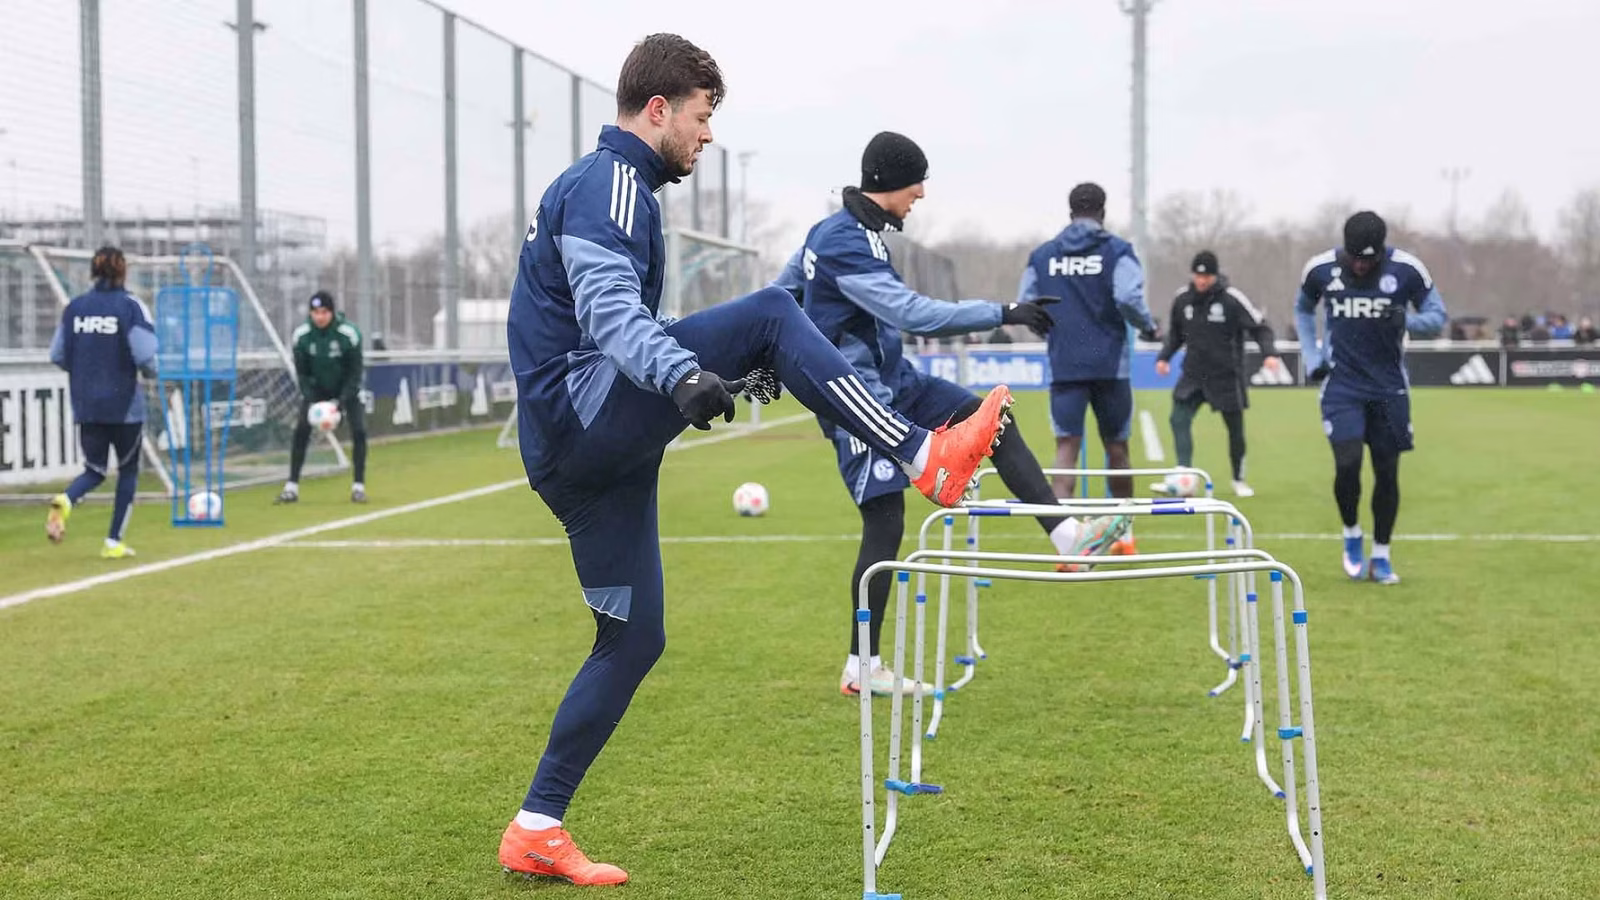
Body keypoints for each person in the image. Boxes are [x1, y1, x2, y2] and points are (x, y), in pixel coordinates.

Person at [497, 34, 1012, 886]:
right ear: (657, 110)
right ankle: (923, 454)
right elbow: (611, 311)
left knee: (633, 640)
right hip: (581, 415)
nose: (707, 136)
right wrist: (680, 371)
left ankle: (536, 826)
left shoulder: (619, 189)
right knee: (773, 310)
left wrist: (715, 372)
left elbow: (619, 324)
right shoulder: (610, 181)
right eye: (701, 118)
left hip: (578, 450)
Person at [774, 132, 1129, 697]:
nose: (921, 194)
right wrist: (1003, 311)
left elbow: (783, 290)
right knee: (885, 520)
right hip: (857, 397)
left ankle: (1066, 537)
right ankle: (862, 666)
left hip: (899, 382)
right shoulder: (842, 241)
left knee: (992, 420)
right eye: (916, 182)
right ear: (890, 181)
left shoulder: (847, 233)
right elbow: (911, 313)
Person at [1294, 211, 1447, 584]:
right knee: (1347, 464)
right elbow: (1303, 310)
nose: (1361, 266)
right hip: (1341, 386)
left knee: (1387, 471)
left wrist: (1406, 321)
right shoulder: (1320, 269)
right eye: (1355, 259)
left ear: (1381, 251)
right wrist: (1312, 356)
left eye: (1370, 260)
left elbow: (1437, 316)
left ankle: (1381, 555)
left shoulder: (1407, 270)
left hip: (1389, 388)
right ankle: (1351, 532)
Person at [1018, 182, 1159, 554]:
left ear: (1070, 212)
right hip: (1110, 365)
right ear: (1103, 212)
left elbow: (1025, 304)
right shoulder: (1117, 251)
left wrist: (1048, 330)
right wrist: (1146, 326)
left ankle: (1066, 544)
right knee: (1117, 448)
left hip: (1064, 363)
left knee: (1066, 448)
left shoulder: (1043, 255)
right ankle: (1123, 536)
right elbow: (1128, 296)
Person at [43, 245, 157, 559]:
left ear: (92, 271)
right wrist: (153, 374)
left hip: (86, 403)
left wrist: (86, 372)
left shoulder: (75, 307)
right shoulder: (131, 306)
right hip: (124, 406)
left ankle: (66, 500)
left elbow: (57, 354)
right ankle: (113, 542)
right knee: (128, 471)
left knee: (94, 470)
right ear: (123, 271)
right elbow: (145, 355)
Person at [1154, 250, 1281, 498]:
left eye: (1207, 277)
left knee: (1235, 429)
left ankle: (1238, 479)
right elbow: (1176, 335)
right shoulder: (1182, 299)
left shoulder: (1232, 299)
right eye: (1198, 276)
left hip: (1226, 375)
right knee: (1178, 418)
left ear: (1215, 276)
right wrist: (1163, 357)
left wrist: (1269, 353)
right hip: (1193, 374)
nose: (1202, 281)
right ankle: (1184, 478)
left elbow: (1260, 328)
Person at [275, 291, 367, 504]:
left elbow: (355, 373)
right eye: (315, 312)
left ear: (332, 312)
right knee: (301, 431)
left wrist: (340, 402)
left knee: (359, 431)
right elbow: (302, 374)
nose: (320, 317)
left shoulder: (349, 334)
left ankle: (358, 486)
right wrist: (312, 400)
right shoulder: (302, 336)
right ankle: (292, 487)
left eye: (324, 312)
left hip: (346, 390)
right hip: (317, 391)